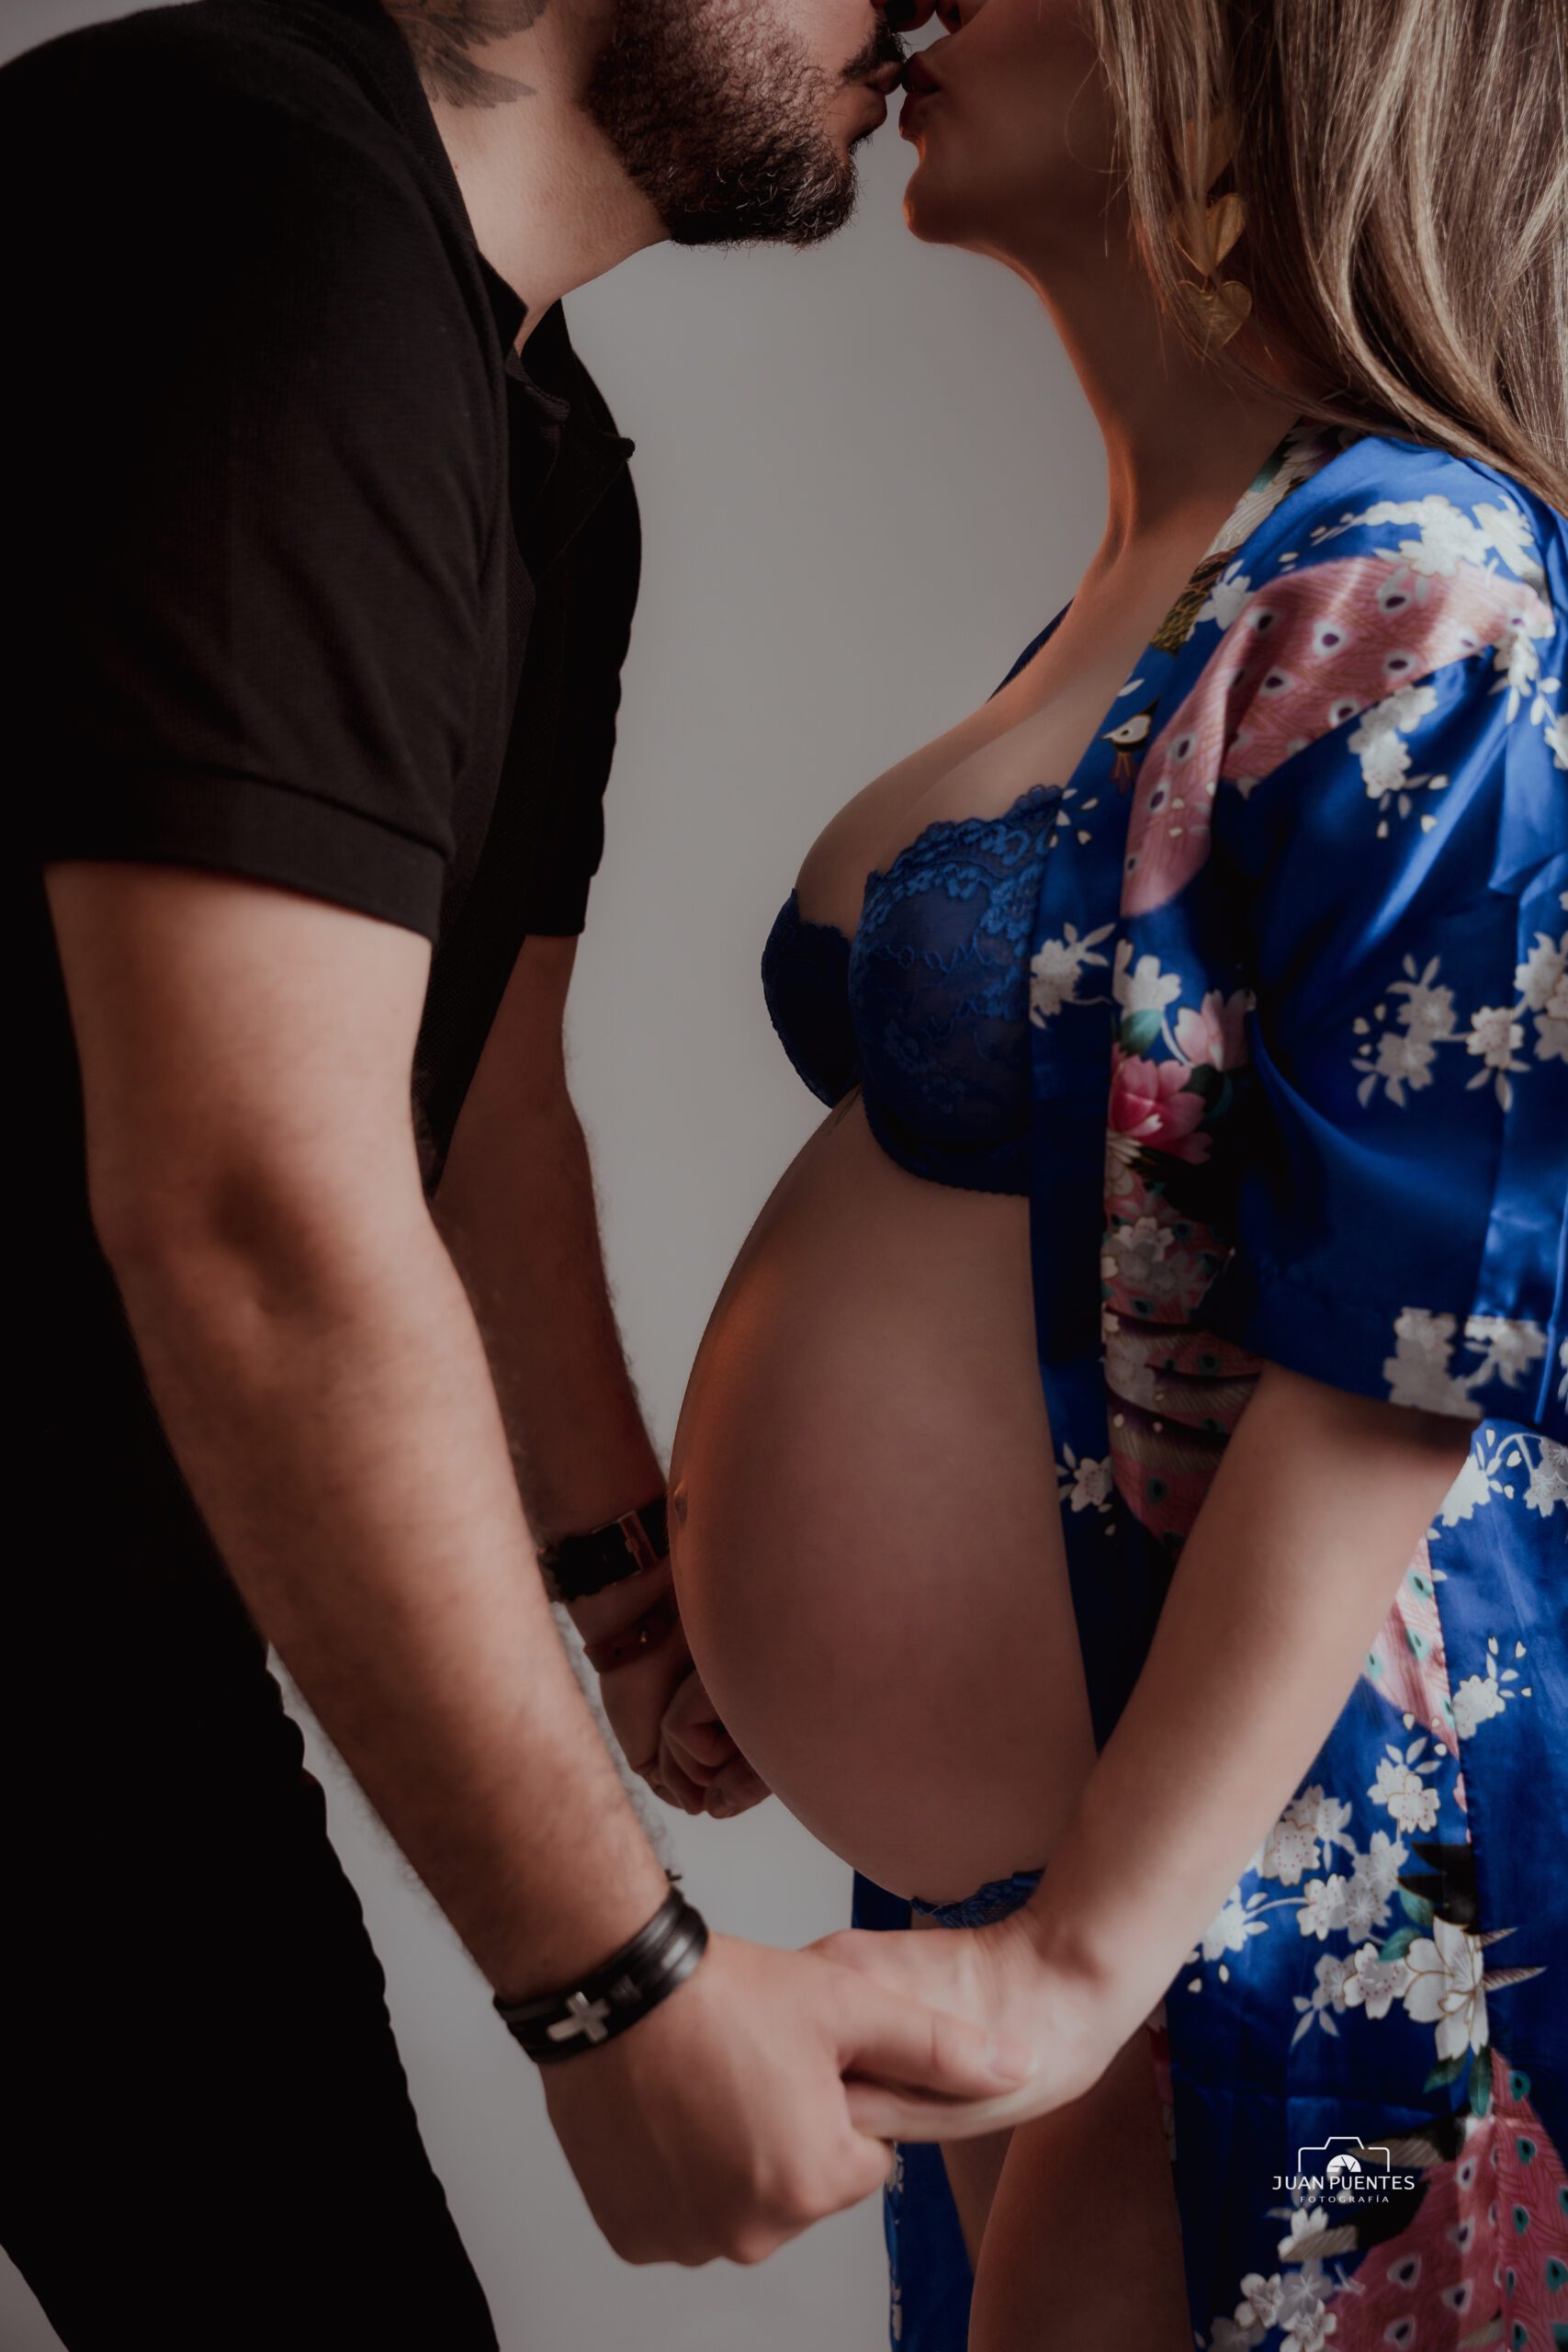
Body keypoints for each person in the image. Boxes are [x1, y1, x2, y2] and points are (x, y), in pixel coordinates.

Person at [2, 1, 1042, 2343]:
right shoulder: (253, 199)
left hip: (96, 1602)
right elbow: (250, 1195)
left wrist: (628, 1591)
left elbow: (475, 1099)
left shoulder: (539, 433)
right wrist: (614, 1985)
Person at [662, 0, 1568, 2345]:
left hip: (1241, 1904)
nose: (931, 3)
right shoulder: (1177, 575)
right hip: (1041, 1902)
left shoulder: (1421, 583)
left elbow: (1411, 1337)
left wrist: (1080, 1957)